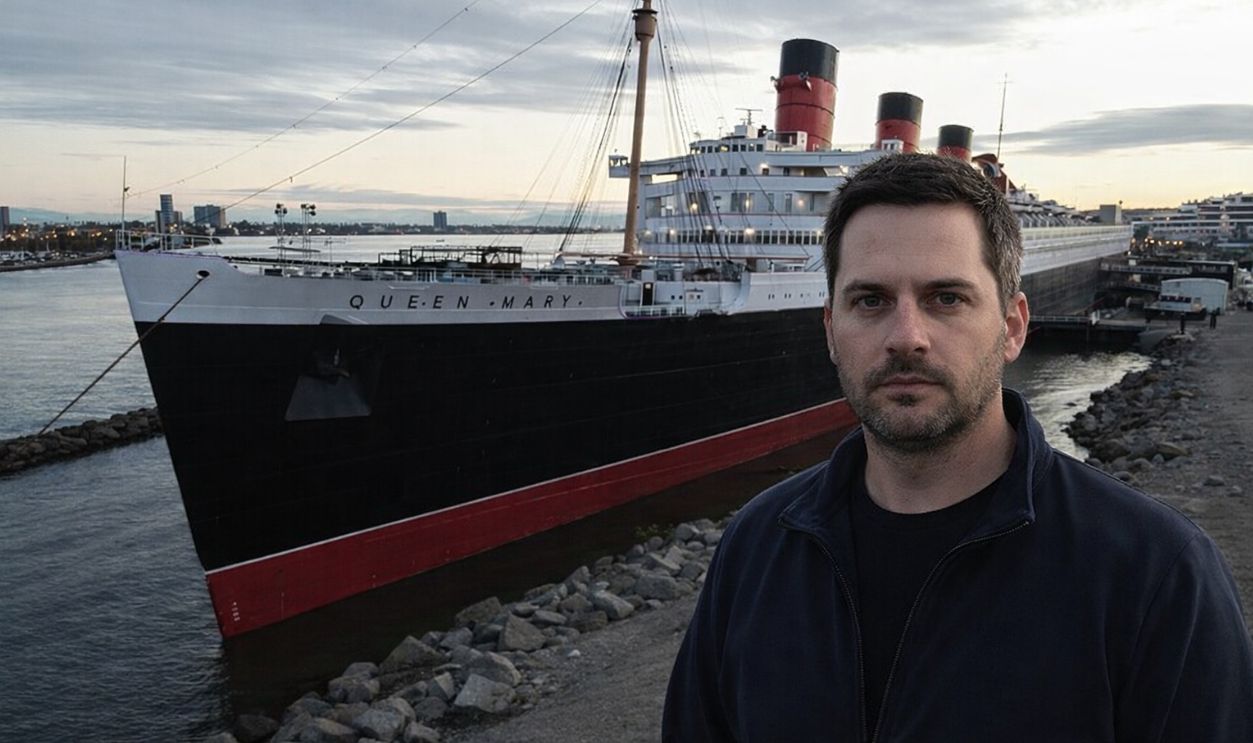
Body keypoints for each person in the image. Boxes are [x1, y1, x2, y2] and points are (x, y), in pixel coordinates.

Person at [662, 153, 1253, 741]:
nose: (906, 338)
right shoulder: (757, 547)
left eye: (946, 298)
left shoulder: (1157, 577)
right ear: (830, 331)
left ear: (1013, 326)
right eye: (870, 300)